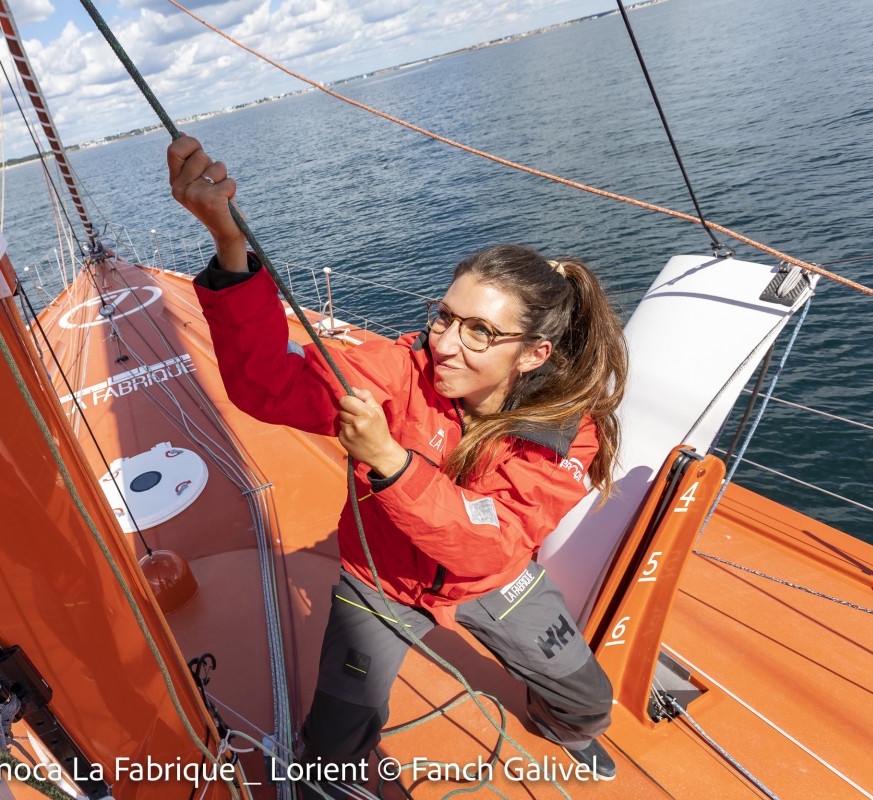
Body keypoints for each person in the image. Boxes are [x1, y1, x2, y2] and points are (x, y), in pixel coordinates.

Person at [167, 136, 628, 792]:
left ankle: (565, 727)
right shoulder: (397, 372)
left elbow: (485, 543)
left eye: (480, 332)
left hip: (489, 580)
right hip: (379, 579)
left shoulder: (566, 435)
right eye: (445, 317)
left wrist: (389, 460)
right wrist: (228, 245)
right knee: (331, 743)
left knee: (587, 698)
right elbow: (263, 382)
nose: (444, 343)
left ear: (533, 355)